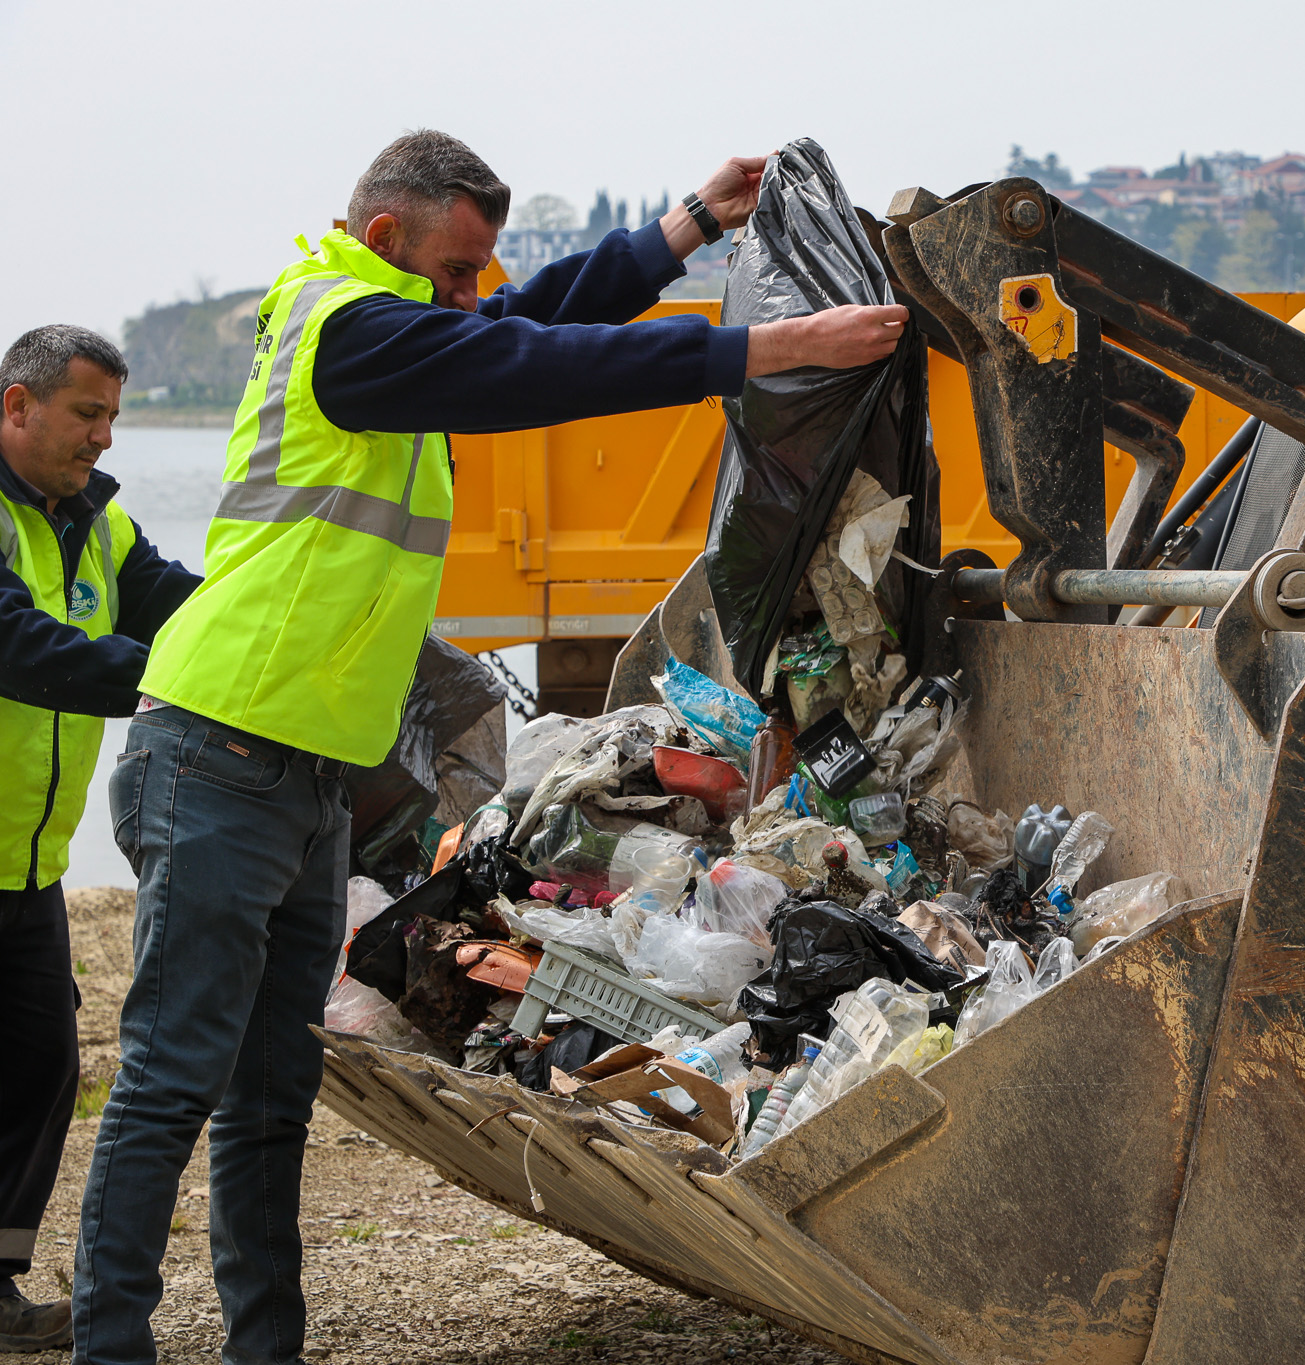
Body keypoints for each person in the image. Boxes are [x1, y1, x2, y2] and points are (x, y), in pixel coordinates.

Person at [71, 130, 907, 1365]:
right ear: (384, 239)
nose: (473, 292)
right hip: (219, 750)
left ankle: (264, 1349)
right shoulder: (346, 329)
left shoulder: (401, 322)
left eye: (475, 275)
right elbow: (529, 360)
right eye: (456, 269)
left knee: (265, 1097)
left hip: (304, 770)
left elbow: (530, 316)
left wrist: (686, 225)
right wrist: (765, 352)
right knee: (168, 1080)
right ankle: (111, 1349)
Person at [0, 327, 200, 1354]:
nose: (103, 437)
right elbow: (23, 650)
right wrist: (179, 686)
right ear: (16, 406)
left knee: (38, 1063)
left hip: (24, 860)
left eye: (114, 416)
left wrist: (258, 639)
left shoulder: (96, 525)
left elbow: (180, 610)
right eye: (86, 415)